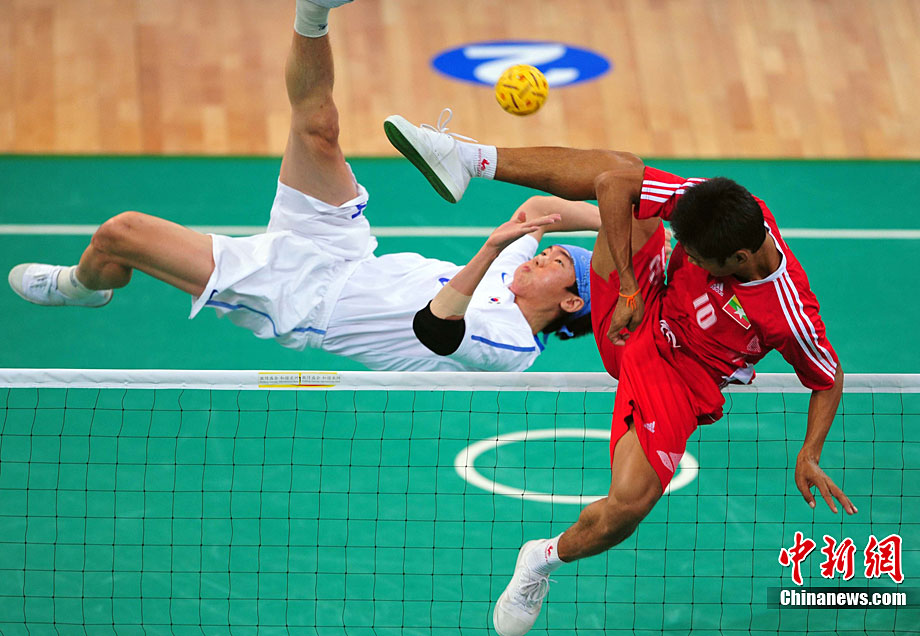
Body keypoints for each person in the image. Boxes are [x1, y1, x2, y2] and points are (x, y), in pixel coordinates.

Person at [384, 115, 856, 635]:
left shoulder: (787, 313)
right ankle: (469, 158)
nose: (687, 255)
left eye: (697, 257)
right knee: (626, 172)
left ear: (739, 258)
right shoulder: (716, 204)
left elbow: (827, 377)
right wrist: (629, 286)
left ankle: (540, 559)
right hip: (637, 310)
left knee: (627, 508)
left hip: (680, 378)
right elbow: (612, 184)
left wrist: (810, 452)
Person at [6, 0, 656, 373]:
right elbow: (539, 207)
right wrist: (625, 213)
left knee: (119, 234)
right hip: (345, 250)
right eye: (546, 252)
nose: (538, 257)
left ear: (571, 300)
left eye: (553, 263)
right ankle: (314, 9)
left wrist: (490, 247)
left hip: (301, 299)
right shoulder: (521, 276)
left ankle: (83, 287)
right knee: (318, 127)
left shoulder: (511, 345)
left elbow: (438, 325)